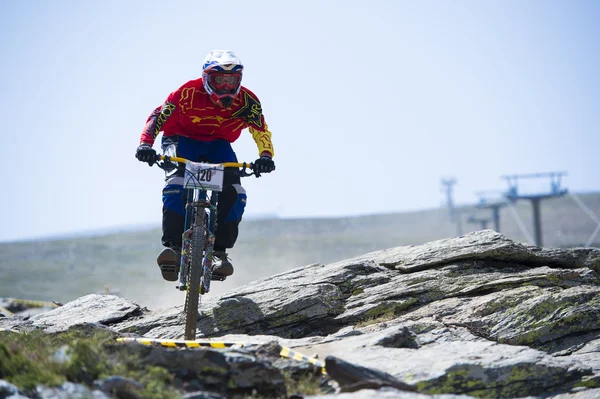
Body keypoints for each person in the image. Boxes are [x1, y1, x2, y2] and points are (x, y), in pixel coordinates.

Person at [135, 50, 275, 281]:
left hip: (218, 145)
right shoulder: (185, 92)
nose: (225, 86)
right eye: (219, 79)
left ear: (239, 80)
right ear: (206, 78)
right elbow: (157, 116)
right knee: (176, 185)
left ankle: (220, 253)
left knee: (236, 193)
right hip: (180, 139)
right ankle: (174, 248)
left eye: (231, 80)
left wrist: (266, 156)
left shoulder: (249, 101)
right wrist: (145, 145)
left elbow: (260, 130)